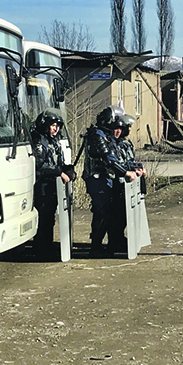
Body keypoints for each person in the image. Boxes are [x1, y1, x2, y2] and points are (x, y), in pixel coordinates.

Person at [82, 105, 138, 256]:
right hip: (97, 179)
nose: (118, 129)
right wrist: (125, 172)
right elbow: (109, 159)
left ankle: (114, 242)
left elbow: (118, 158)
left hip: (108, 179)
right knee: (102, 212)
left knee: (114, 212)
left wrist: (133, 168)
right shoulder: (97, 135)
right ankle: (96, 247)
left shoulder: (108, 136)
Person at [31, 109, 77, 260]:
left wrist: (68, 170)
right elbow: (39, 165)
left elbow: (58, 162)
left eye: (57, 125)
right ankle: (42, 250)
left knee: (50, 219)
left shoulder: (53, 141)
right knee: (44, 219)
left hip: (53, 186)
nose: (55, 128)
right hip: (42, 186)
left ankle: (47, 246)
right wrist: (58, 172)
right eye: (52, 125)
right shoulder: (38, 141)